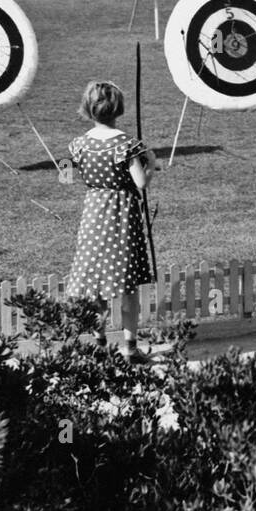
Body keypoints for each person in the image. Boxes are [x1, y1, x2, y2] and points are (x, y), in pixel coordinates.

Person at [66, 80, 157, 361]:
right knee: (126, 286)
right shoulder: (128, 145)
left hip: (93, 215)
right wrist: (150, 163)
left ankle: (99, 344)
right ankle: (130, 348)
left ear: (88, 109)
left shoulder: (79, 144)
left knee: (96, 285)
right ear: (118, 108)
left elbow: (67, 176)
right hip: (121, 218)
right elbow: (141, 184)